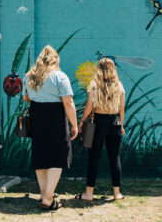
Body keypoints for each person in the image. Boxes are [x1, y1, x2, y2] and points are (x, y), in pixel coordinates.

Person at [22, 45, 78, 210]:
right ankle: (48, 198)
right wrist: (74, 124)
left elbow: (26, 97)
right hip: (55, 116)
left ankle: (44, 193)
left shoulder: (29, 76)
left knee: (40, 154)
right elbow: (68, 102)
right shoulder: (60, 77)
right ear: (55, 60)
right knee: (58, 156)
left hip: (36, 115)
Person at [76, 58, 125, 201]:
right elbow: (121, 109)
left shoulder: (94, 84)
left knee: (94, 157)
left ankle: (89, 194)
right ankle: (117, 194)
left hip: (98, 121)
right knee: (114, 157)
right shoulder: (119, 85)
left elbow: (89, 106)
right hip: (115, 121)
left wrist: (82, 121)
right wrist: (121, 125)